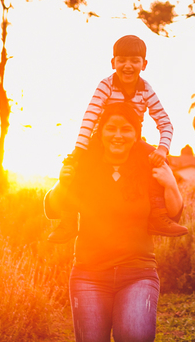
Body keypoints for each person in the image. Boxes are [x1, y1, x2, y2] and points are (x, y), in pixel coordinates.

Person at [44, 102, 184, 342]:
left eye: (126, 128)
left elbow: (174, 212)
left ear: (136, 133)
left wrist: (170, 183)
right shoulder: (84, 165)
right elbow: (52, 208)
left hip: (138, 270)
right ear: (100, 132)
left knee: (138, 337)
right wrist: (62, 183)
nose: (118, 135)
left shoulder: (148, 165)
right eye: (111, 128)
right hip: (89, 273)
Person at [48, 34, 186, 243]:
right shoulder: (106, 86)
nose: (127, 65)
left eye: (134, 60)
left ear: (144, 64)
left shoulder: (146, 90)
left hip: (133, 140)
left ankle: (158, 216)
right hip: (102, 139)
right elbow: (90, 116)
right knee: (77, 167)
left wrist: (161, 150)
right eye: (122, 60)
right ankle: (68, 221)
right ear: (113, 63)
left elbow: (165, 123)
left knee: (157, 163)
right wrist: (80, 149)